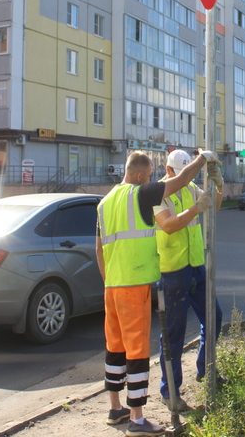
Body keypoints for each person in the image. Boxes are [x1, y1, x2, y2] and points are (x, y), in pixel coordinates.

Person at [96, 149, 218, 437]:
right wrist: (202, 159)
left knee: (115, 348)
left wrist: (107, 281)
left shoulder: (104, 202)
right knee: (137, 351)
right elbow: (181, 180)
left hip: (111, 287)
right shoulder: (141, 194)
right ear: (140, 175)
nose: (151, 179)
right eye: (149, 176)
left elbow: (99, 248)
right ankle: (137, 420)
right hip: (135, 284)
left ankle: (115, 409)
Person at [154, 150, 224, 411]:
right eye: (184, 173)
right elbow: (169, 225)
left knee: (214, 317)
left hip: (196, 267)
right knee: (173, 334)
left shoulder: (191, 187)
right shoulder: (156, 193)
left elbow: (213, 208)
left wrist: (218, 186)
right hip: (172, 271)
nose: (188, 178)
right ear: (170, 170)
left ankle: (207, 370)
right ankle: (170, 392)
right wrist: (196, 207)